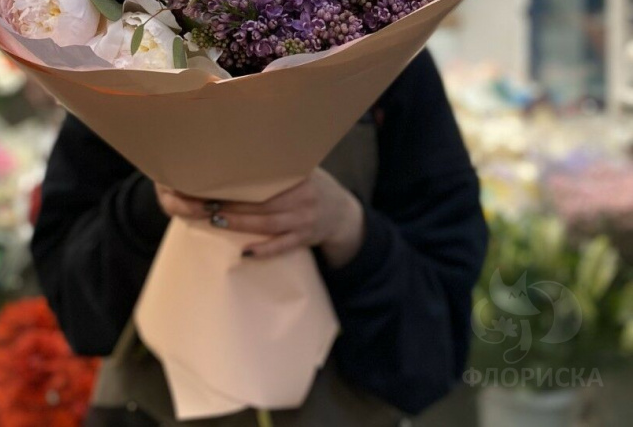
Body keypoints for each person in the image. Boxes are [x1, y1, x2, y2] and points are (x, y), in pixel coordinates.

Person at [32, 49, 488, 426]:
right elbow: (74, 307)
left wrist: (346, 227)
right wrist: (152, 200)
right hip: (149, 409)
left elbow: (433, 351)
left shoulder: (389, 57)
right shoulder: (128, 51)